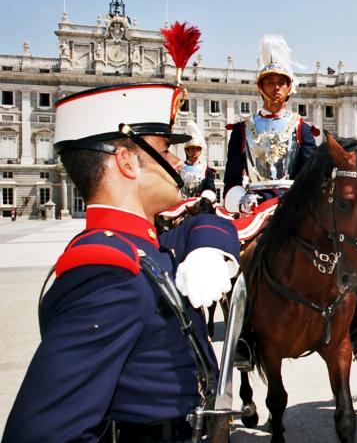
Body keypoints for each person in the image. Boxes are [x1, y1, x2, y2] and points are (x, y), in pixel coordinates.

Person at [3, 79, 240, 442]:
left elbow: (209, 221)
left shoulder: (139, 246)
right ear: (127, 161)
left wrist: (207, 247)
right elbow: (39, 434)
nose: (178, 160)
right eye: (165, 148)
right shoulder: (107, 274)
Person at [223, 34, 316, 213]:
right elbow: (232, 177)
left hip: (291, 206)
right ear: (261, 87)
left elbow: (311, 175)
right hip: (254, 205)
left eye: (281, 83)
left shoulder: (301, 127)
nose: (276, 87)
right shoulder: (242, 129)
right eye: (270, 82)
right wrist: (242, 201)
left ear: (288, 87)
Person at [180, 120, 216, 198]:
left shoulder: (206, 169)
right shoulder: (179, 168)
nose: (195, 151)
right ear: (187, 150)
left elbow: (210, 190)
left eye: (198, 148)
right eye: (193, 148)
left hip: (200, 205)